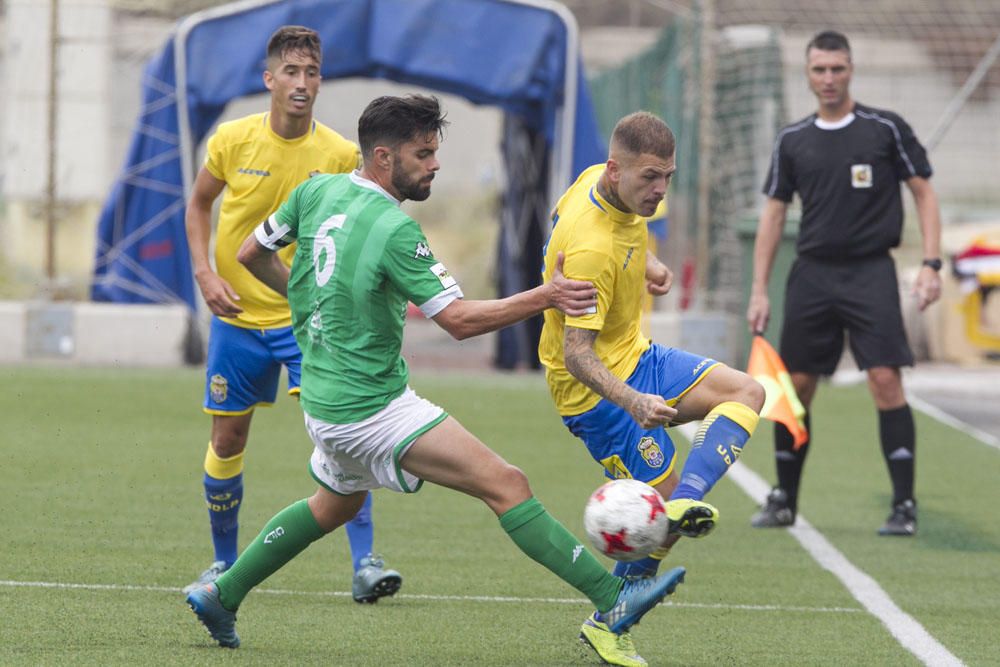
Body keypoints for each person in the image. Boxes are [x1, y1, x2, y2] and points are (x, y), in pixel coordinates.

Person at [185, 94, 688, 653]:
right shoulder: (396, 232)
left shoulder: (316, 190)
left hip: (326, 401)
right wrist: (546, 295)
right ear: (382, 157)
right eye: (423, 154)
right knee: (507, 483)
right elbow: (460, 322)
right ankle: (610, 597)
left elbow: (251, 251)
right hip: (369, 410)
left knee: (335, 505)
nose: (435, 165)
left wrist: (309, 305)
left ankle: (223, 594)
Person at [539, 110, 765, 667]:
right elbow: (577, 355)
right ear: (617, 170)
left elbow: (617, 232)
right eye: (650, 178)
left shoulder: (598, 178)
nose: (660, 190)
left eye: (667, 175)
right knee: (657, 522)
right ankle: (608, 623)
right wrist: (633, 401)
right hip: (594, 392)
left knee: (748, 392)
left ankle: (686, 498)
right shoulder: (589, 249)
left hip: (639, 355)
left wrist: (648, 265)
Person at [183, 25, 401, 602]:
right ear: (269, 78)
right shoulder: (232, 140)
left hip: (308, 323)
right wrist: (205, 273)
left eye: (311, 73)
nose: (301, 84)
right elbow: (199, 203)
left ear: (320, 81)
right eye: (291, 72)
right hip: (235, 320)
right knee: (227, 439)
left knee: (346, 437)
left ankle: (366, 563)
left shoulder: (337, 154)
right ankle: (222, 564)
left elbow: (355, 226)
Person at [746, 30, 942, 537]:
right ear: (807, 75)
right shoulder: (793, 140)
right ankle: (785, 497)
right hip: (812, 274)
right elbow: (772, 215)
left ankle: (904, 505)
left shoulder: (884, 129)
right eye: (819, 70)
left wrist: (932, 264)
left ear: (850, 70)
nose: (828, 78)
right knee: (797, 388)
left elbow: (923, 192)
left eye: (837, 69)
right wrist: (760, 289)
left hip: (870, 271)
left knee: (884, 380)